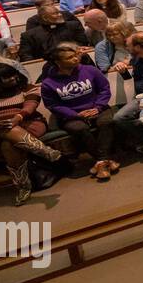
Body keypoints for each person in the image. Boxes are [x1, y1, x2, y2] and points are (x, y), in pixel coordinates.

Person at [0, 63, 68, 204]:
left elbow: (30, 106)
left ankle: (24, 187)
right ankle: (48, 153)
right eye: (7, 77)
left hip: (27, 123)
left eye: (13, 74)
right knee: (6, 130)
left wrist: (17, 118)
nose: (13, 78)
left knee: (8, 144)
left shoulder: (26, 88)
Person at [40, 41, 117, 181]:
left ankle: (100, 162)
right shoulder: (48, 83)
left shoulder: (90, 70)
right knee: (79, 128)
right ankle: (105, 161)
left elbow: (104, 89)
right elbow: (53, 105)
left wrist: (98, 107)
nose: (75, 59)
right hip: (72, 115)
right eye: (69, 57)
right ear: (57, 62)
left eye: (75, 55)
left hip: (97, 108)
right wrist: (75, 114)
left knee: (106, 122)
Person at [17, 0, 89, 60]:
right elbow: (25, 56)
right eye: (55, 14)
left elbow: (83, 43)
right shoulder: (29, 35)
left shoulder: (73, 26)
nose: (60, 15)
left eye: (59, 12)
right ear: (45, 18)